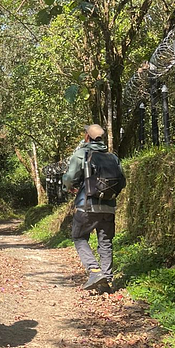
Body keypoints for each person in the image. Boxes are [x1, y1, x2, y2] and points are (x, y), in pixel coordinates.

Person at [62, 124, 122, 291]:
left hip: (87, 206)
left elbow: (69, 178)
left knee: (79, 237)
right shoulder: (112, 157)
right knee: (106, 242)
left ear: (87, 137)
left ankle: (95, 270)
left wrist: (69, 187)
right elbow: (121, 181)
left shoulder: (82, 154)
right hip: (109, 207)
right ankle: (106, 281)